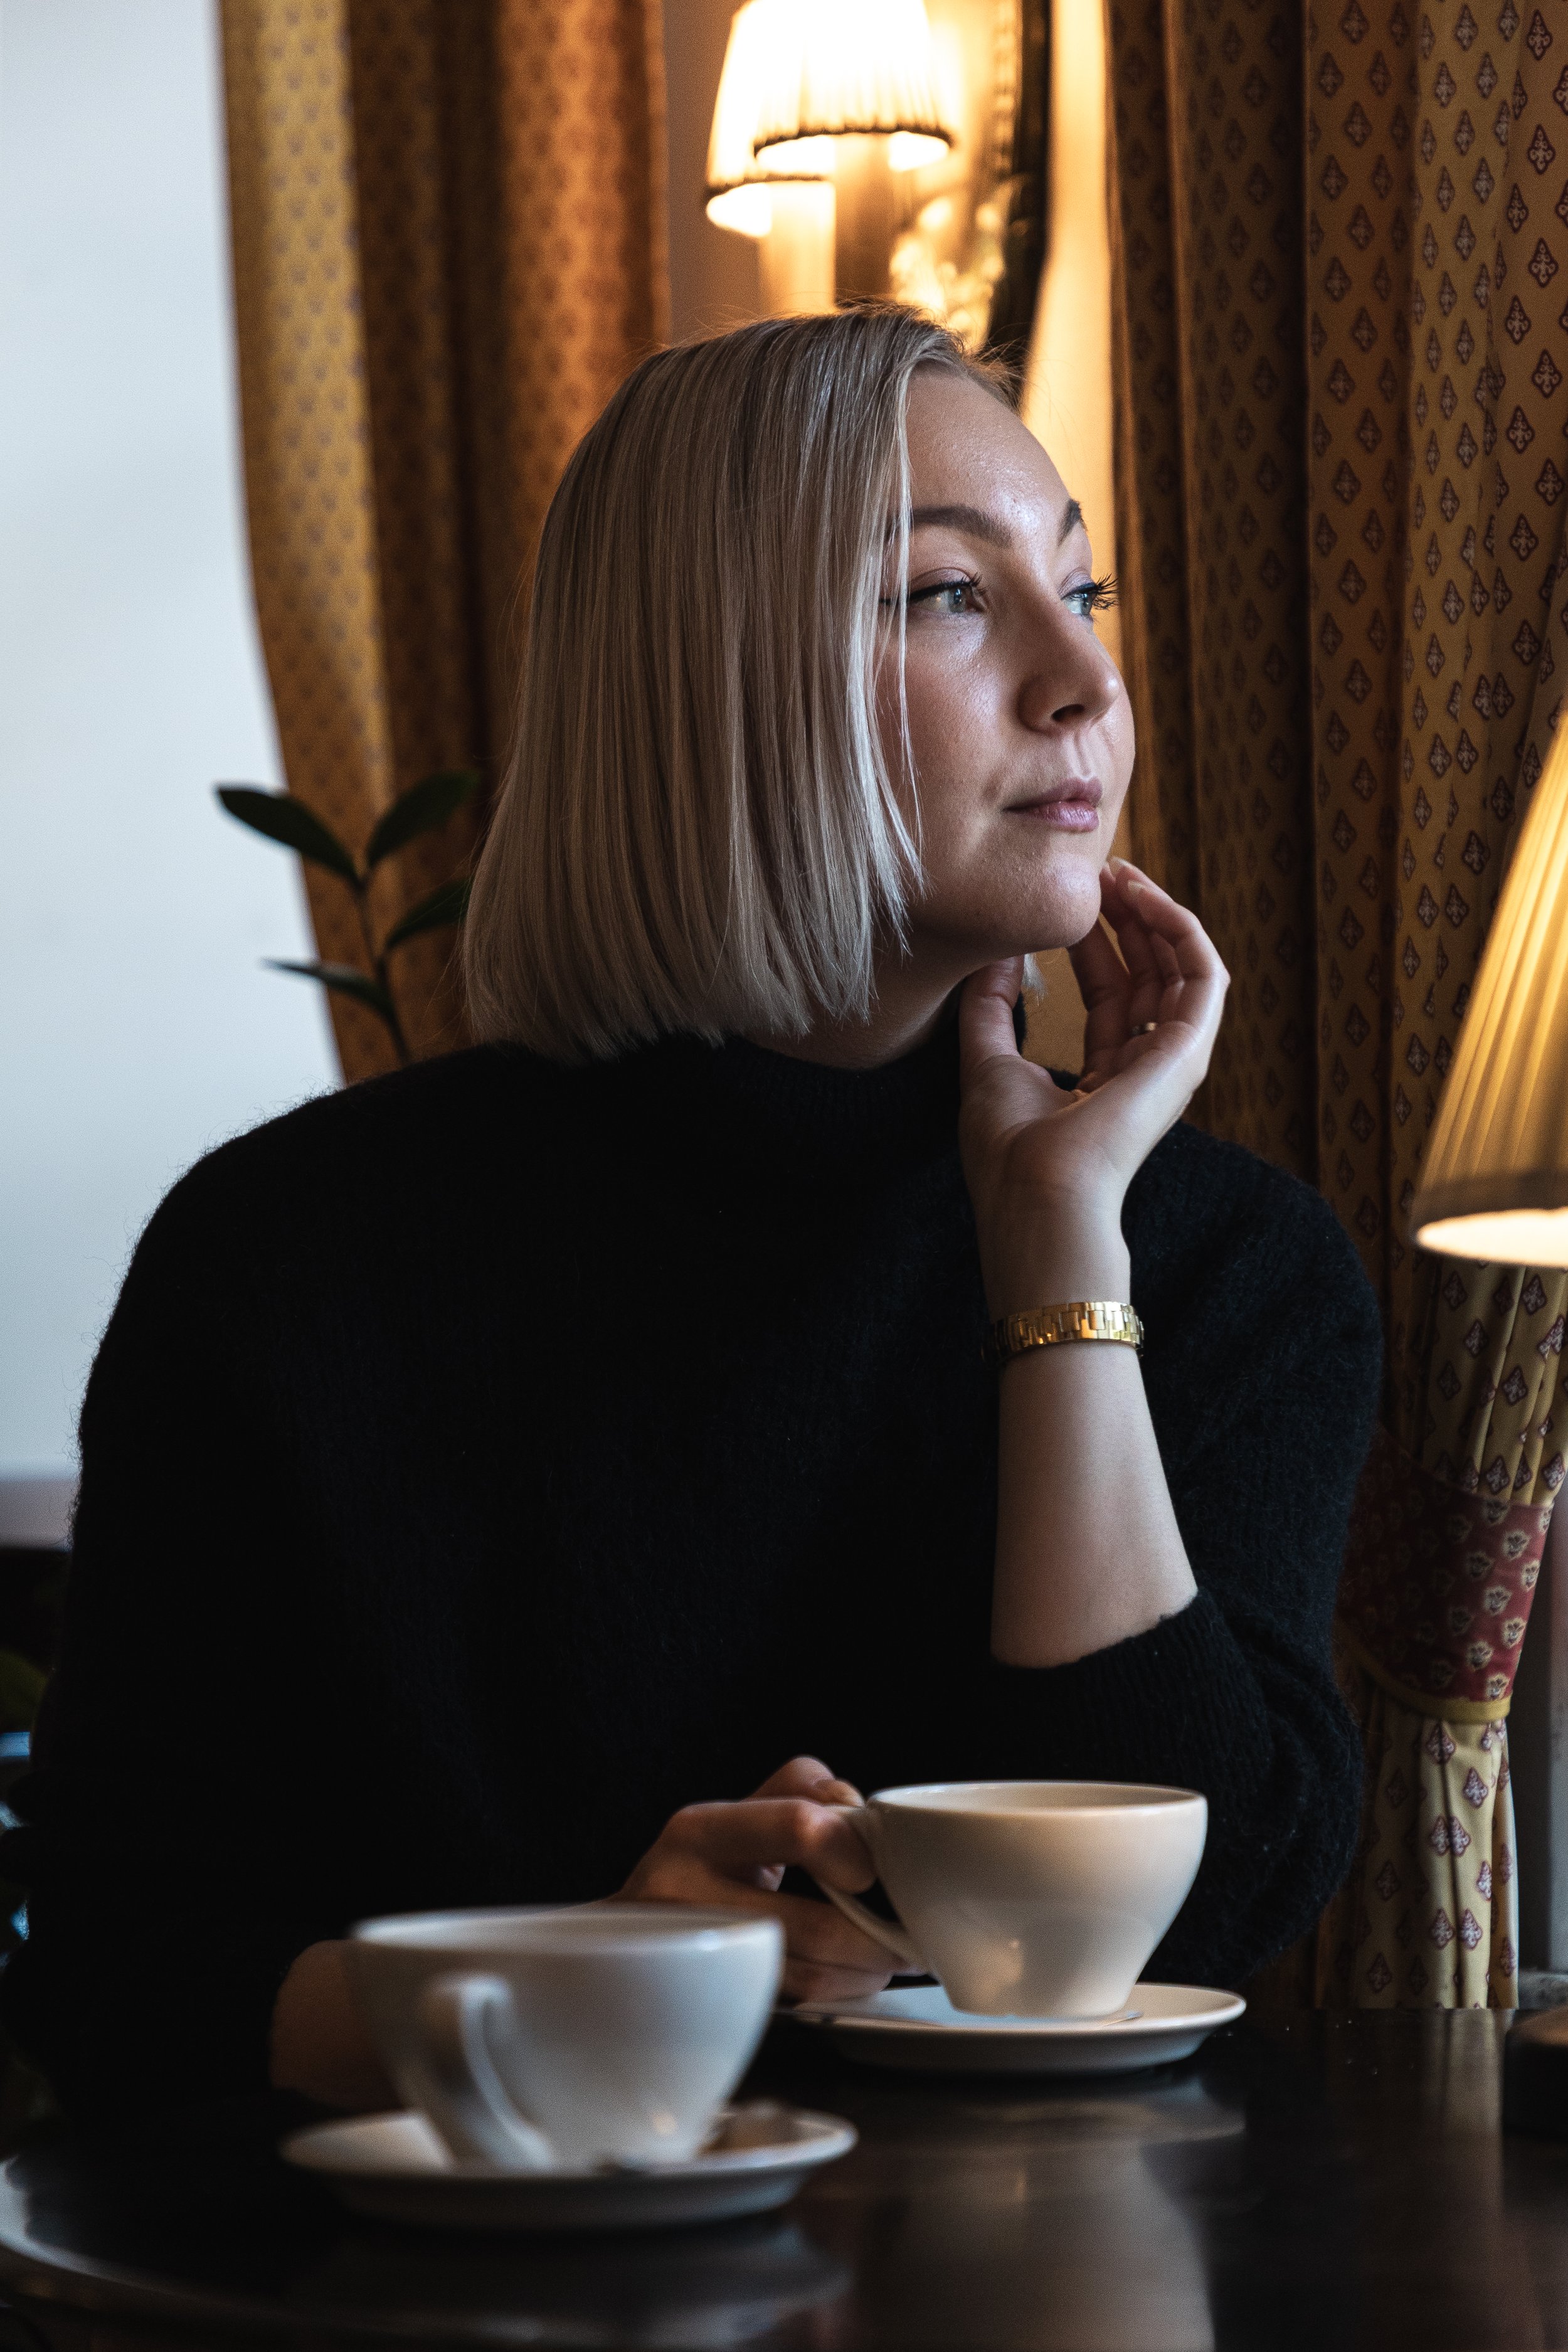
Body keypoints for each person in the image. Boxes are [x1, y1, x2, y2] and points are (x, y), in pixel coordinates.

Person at [2, 307, 1380, 2116]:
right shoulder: (292, 1261)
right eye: (947, 598)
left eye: (1082, 591)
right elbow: (119, 1987)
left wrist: (1057, 1255)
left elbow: (1219, 1902)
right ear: (708, 676)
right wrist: (590, 1980)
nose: (1084, 685)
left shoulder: (1220, 1264)